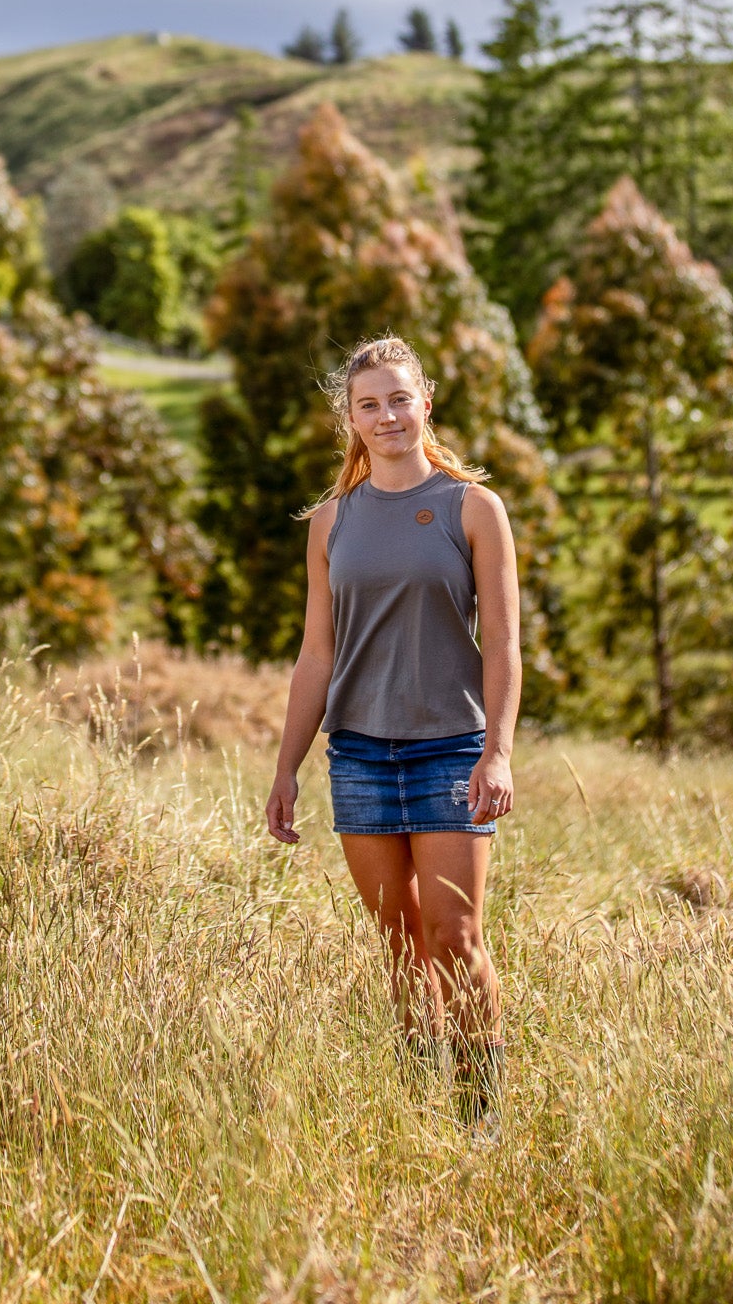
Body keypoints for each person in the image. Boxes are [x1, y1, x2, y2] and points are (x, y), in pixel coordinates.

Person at [265, 333, 522, 1126]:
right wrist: (286, 769)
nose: (387, 417)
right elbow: (317, 655)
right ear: (349, 417)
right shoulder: (332, 522)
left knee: (455, 935)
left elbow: (506, 645)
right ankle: (421, 1112)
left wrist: (499, 753)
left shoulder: (473, 508)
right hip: (360, 756)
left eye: (399, 400)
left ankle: (482, 1116)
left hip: (451, 750)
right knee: (402, 947)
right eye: (368, 405)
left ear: (425, 403)